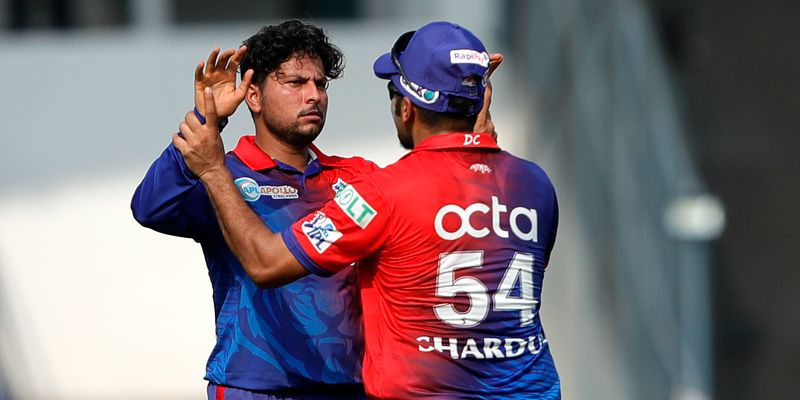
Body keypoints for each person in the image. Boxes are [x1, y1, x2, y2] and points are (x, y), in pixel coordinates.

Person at [174, 21, 560, 399]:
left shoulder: (380, 192)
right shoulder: (534, 185)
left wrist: (211, 168)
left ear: (407, 107)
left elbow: (266, 263)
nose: (313, 94)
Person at [131, 20, 378, 400]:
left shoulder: (357, 176)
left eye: (320, 84)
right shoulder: (221, 174)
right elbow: (150, 207)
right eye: (296, 83)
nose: (313, 95)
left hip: (350, 387)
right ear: (255, 97)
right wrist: (207, 120)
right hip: (255, 388)